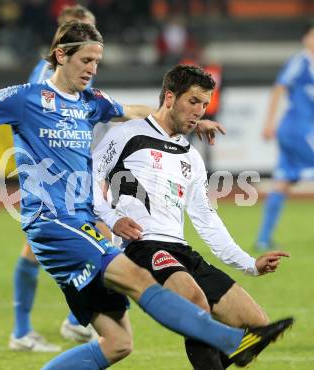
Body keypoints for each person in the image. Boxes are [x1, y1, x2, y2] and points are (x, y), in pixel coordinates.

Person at [0, 22, 293, 370]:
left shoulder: (90, 104)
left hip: (84, 225)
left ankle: (224, 338)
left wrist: (195, 121)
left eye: (97, 62)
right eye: (86, 60)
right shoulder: (25, 99)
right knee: (136, 277)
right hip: (52, 220)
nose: (93, 69)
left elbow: (135, 111)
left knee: (117, 344)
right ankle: (226, 339)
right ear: (60, 55)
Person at [92, 64, 292, 369]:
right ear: (170, 98)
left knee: (254, 324)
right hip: (143, 246)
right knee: (194, 302)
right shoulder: (127, 134)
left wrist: (250, 264)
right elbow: (88, 179)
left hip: (181, 250)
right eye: (193, 102)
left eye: (204, 104)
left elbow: (207, 220)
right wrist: (111, 218)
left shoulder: (191, 157)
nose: (200, 111)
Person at [11, 4, 98, 352]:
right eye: (83, 30)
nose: (91, 37)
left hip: (63, 174)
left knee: (38, 248)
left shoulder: (78, 69)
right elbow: (37, 122)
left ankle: (33, 329)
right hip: (51, 177)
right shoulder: (45, 76)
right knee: (102, 236)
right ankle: (74, 321)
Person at [255, 22, 314, 250]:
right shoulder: (301, 61)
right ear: (304, 39)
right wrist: (269, 122)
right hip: (297, 131)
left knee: (282, 182)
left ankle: (263, 238)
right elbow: (279, 88)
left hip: (297, 131)